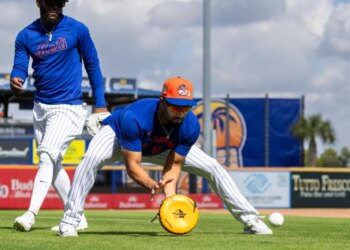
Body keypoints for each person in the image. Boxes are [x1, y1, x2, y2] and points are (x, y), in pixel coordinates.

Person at [58, 76, 272, 237]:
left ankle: (250, 220)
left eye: (185, 107)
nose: (180, 112)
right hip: (117, 137)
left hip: (162, 146)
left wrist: (170, 198)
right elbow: (133, 166)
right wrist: (151, 183)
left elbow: (175, 163)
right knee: (91, 159)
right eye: (175, 106)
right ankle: (70, 221)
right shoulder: (136, 118)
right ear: (162, 100)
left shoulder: (189, 125)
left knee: (213, 166)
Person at [10, 0, 109, 232]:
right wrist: (16, 80)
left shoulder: (78, 29)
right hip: (41, 107)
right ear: (38, 2)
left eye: (59, 1)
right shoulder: (25, 35)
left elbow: (93, 65)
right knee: (53, 164)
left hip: (69, 107)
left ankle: (30, 214)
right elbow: (19, 67)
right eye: (49, 1)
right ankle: (77, 216)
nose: (55, 5)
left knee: (46, 156)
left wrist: (101, 104)